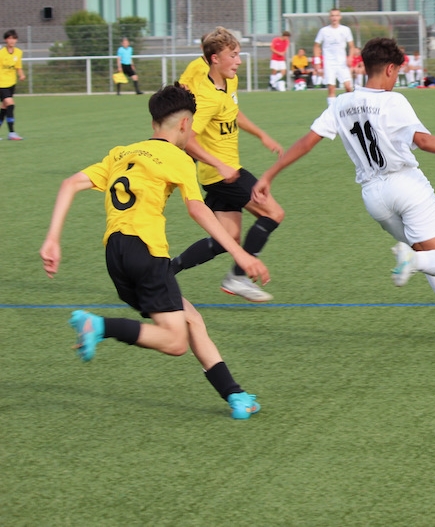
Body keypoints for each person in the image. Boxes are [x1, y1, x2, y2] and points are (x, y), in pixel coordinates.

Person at [252, 37, 435, 344]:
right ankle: (414, 263)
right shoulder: (393, 101)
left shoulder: (341, 103)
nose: (396, 77)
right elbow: (423, 141)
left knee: (424, 256)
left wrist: (269, 175)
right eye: (397, 71)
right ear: (388, 69)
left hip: (374, 197)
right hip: (406, 186)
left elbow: (306, 142)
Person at [39, 83, 269, 420]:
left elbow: (69, 184)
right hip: (146, 251)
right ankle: (98, 326)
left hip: (115, 254)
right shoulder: (178, 158)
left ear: (153, 123)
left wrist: (52, 239)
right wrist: (240, 253)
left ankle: (235, 396)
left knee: (190, 318)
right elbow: (198, 209)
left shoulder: (122, 153)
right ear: (185, 124)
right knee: (175, 342)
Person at [172, 27, 285, 303]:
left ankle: (165, 270)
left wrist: (261, 134)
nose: (239, 61)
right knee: (273, 213)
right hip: (222, 175)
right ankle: (238, 276)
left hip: (224, 173)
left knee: (229, 238)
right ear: (214, 59)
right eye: (233, 55)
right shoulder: (207, 97)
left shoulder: (228, 82)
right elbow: (187, 140)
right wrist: (220, 166)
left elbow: (234, 113)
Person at [313, 8, 356, 102]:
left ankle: (349, 107)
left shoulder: (345, 30)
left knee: (348, 87)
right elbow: (316, 46)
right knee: (331, 88)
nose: (334, 18)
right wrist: (317, 62)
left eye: (336, 15)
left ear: (340, 17)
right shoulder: (324, 31)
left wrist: (350, 57)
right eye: (332, 15)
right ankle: (331, 109)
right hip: (329, 63)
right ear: (329, 17)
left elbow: (351, 46)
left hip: (342, 62)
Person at [0, 29, 26, 140]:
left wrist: (21, 75)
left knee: (4, 108)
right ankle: (12, 133)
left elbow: (18, 67)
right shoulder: (1, 53)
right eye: (9, 38)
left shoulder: (18, 52)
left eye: (14, 38)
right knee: (11, 105)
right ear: (5, 40)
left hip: (11, 83)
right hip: (1, 84)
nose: (12, 41)